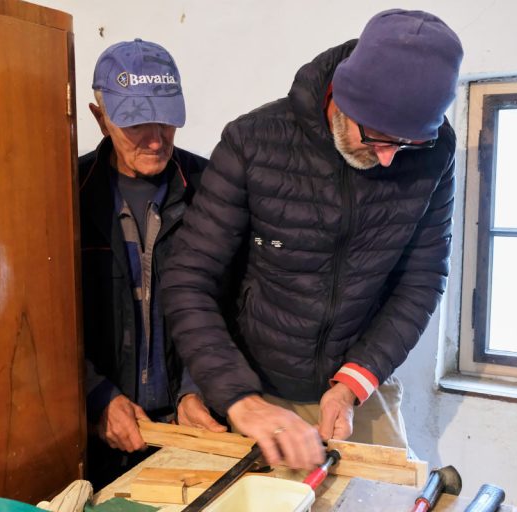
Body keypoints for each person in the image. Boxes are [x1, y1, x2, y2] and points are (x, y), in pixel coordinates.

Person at [161, 9, 464, 470]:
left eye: (405, 145)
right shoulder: (254, 142)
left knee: (384, 497)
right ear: (343, 98)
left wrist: (353, 383)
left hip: (357, 383)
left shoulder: (434, 152)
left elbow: (422, 280)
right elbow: (189, 277)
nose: (387, 161)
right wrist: (238, 396)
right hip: (253, 383)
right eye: (378, 138)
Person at [78, 39, 224, 489]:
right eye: (137, 122)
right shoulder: (64, 195)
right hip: (97, 435)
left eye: (167, 118)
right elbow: (37, 325)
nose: (157, 137)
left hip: (191, 428)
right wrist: (96, 396)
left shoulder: (213, 188)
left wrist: (196, 389)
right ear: (100, 117)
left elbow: (231, 301)